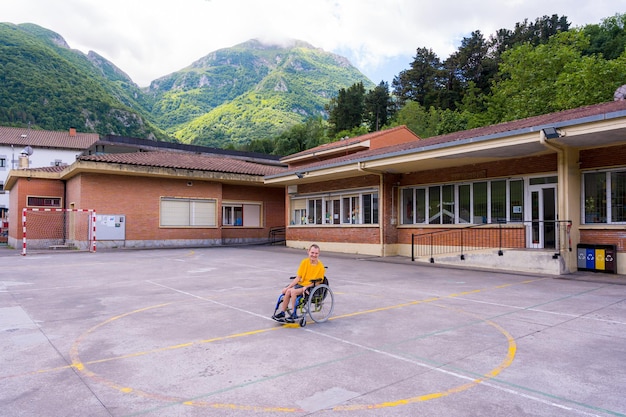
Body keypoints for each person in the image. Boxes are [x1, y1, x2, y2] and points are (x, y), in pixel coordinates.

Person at [273, 244, 325, 322]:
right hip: (301, 284)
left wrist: (306, 287)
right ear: (308, 252)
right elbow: (298, 277)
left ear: (319, 254)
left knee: (293, 292)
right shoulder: (304, 262)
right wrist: (288, 287)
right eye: (312, 252)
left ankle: (294, 314)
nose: (314, 255)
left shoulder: (320, 267)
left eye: (316, 253)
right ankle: (282, 312)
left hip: (311, 286)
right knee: (287, 291)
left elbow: (318, 282)